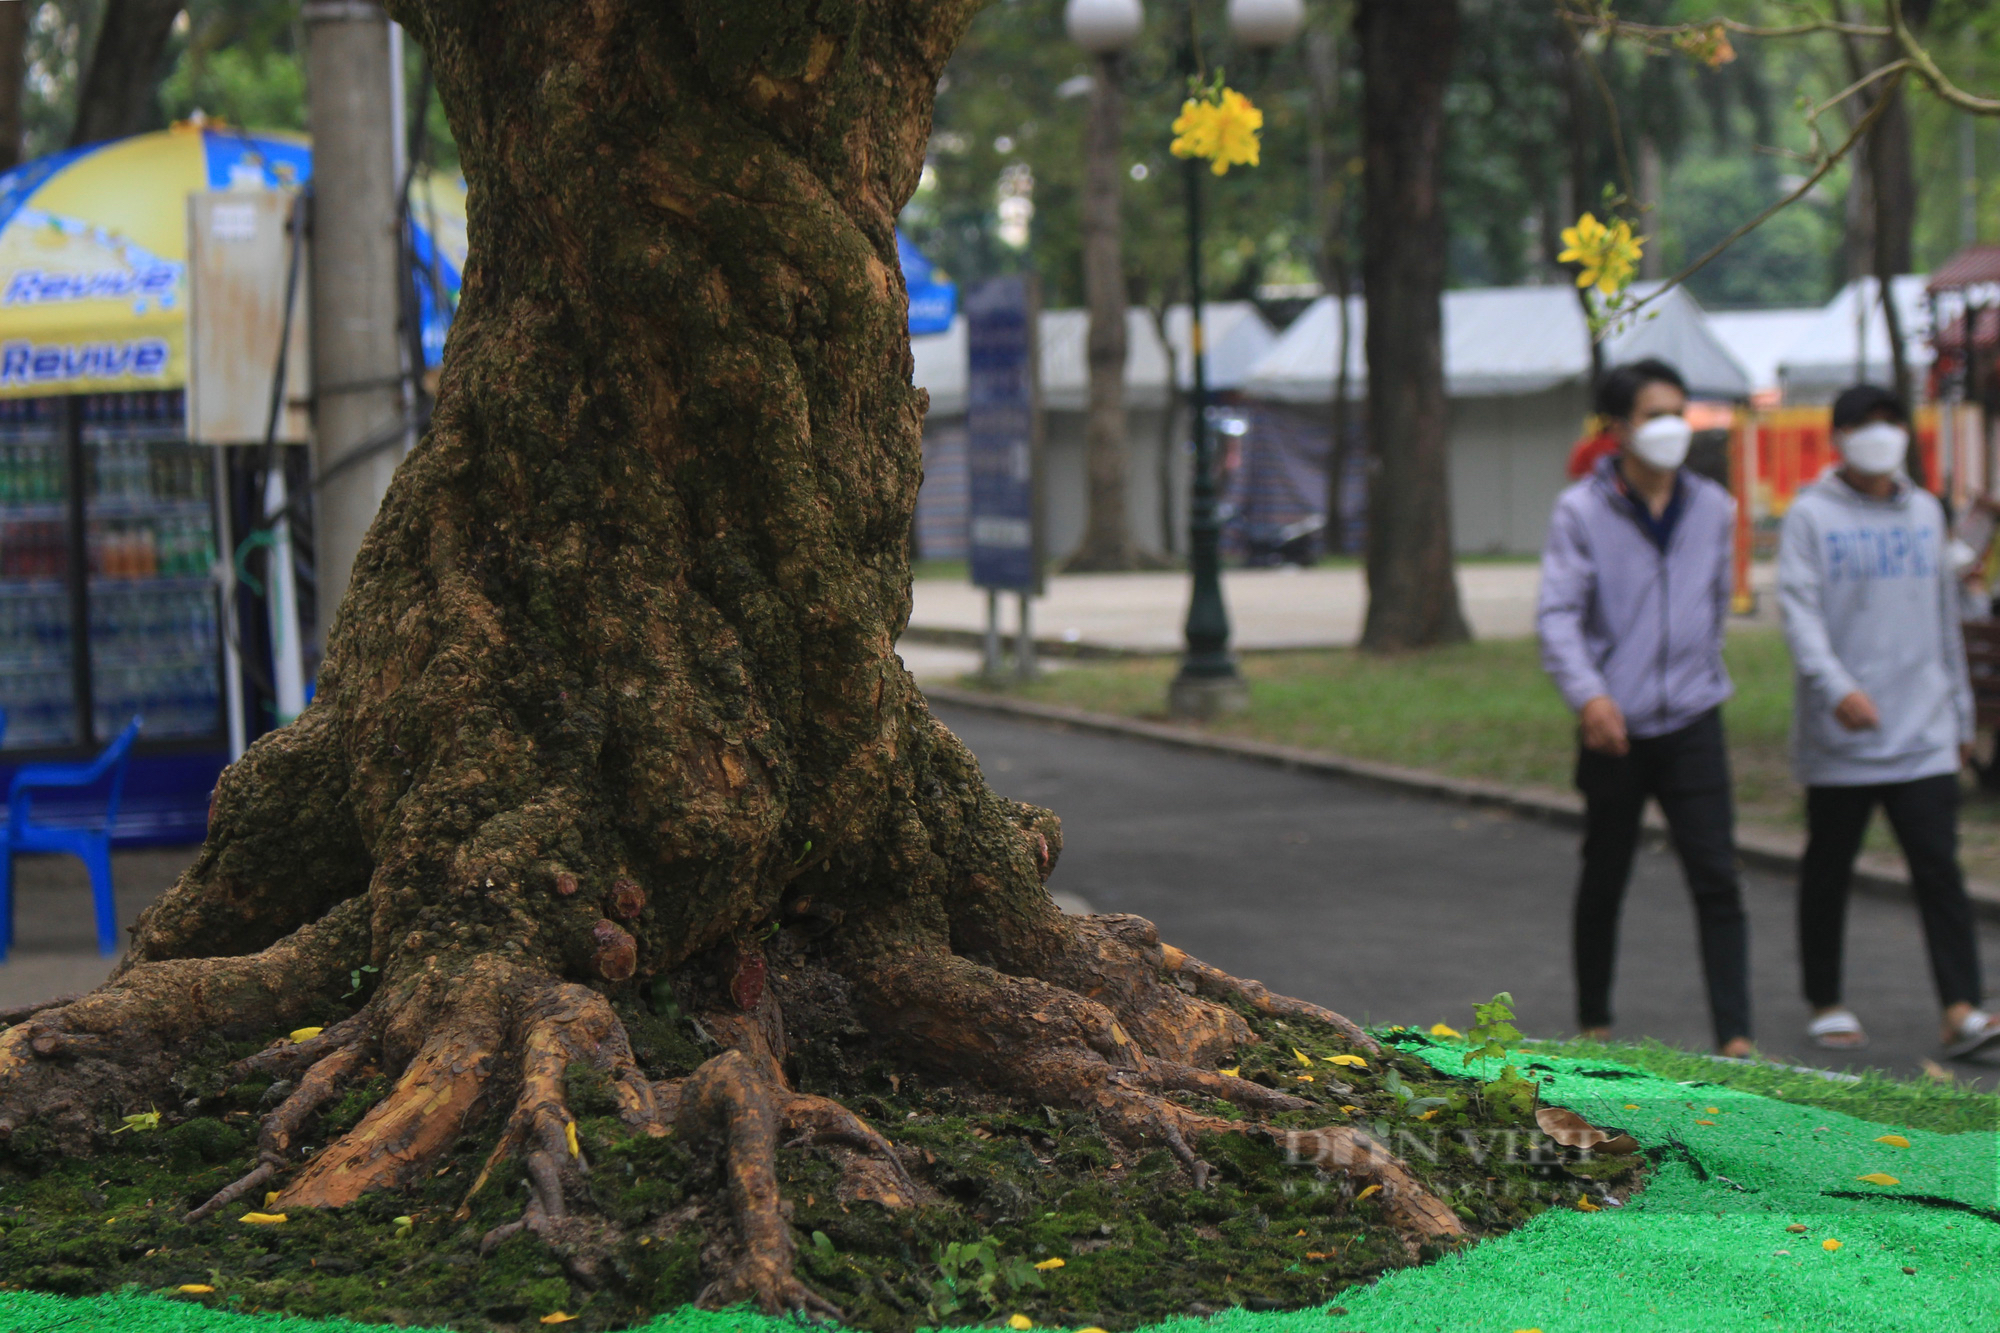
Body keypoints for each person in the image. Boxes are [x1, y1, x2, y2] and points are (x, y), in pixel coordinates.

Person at [1538, 358, 1753, 1057]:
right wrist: (1590, 695)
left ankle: (1737, 1037)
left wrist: (1698, 666)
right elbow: (1559, 616)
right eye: (1654, 413)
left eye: (1677, 411)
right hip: (1614, 726)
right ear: (1617, 428)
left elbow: (1715, 603)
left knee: (1717, 874)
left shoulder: (1713, 507)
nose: (1670, 427)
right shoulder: (1582, 510)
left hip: (1693, 715)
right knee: (1605, 873)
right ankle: (1595, 1022)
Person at [1777, 383, 2000, 1058]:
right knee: (1830, 867)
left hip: (1923, 727)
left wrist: (1961, 712)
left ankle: (1961, 1007)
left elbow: (1944, 620)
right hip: (1844, 734)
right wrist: (1836, 686)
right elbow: (1800, 611)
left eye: (1890, 422)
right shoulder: (1811, 517)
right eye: (1864, 424)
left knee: (1939, 868)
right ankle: (1826, 998)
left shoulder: (1925, 513)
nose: (1880, 434)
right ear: (1837, 437)